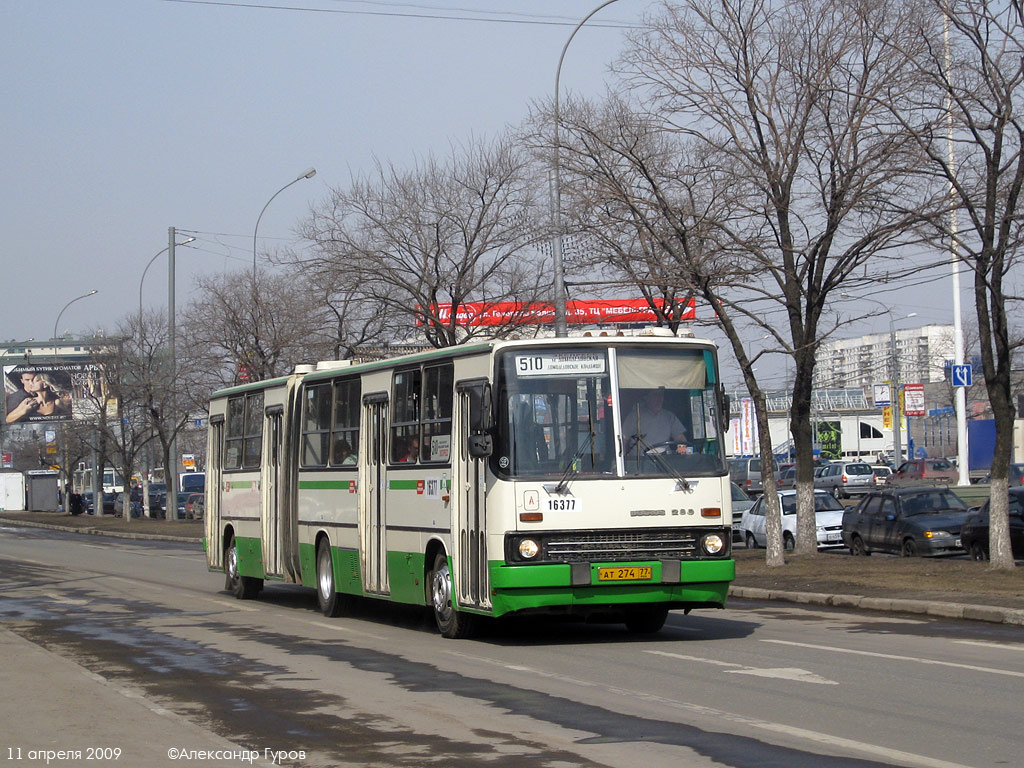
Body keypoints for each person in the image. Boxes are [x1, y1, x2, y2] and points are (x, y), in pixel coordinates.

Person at [622, 387, 688, 455]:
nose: (659, 398)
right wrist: (623, 460)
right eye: (655, 395)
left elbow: (680, 439)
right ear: (646, 398)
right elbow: (623, 440)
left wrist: (682, 454)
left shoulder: (669, 416)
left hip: (665, 462)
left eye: (661, 395)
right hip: (641, 462)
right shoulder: (634, 416)